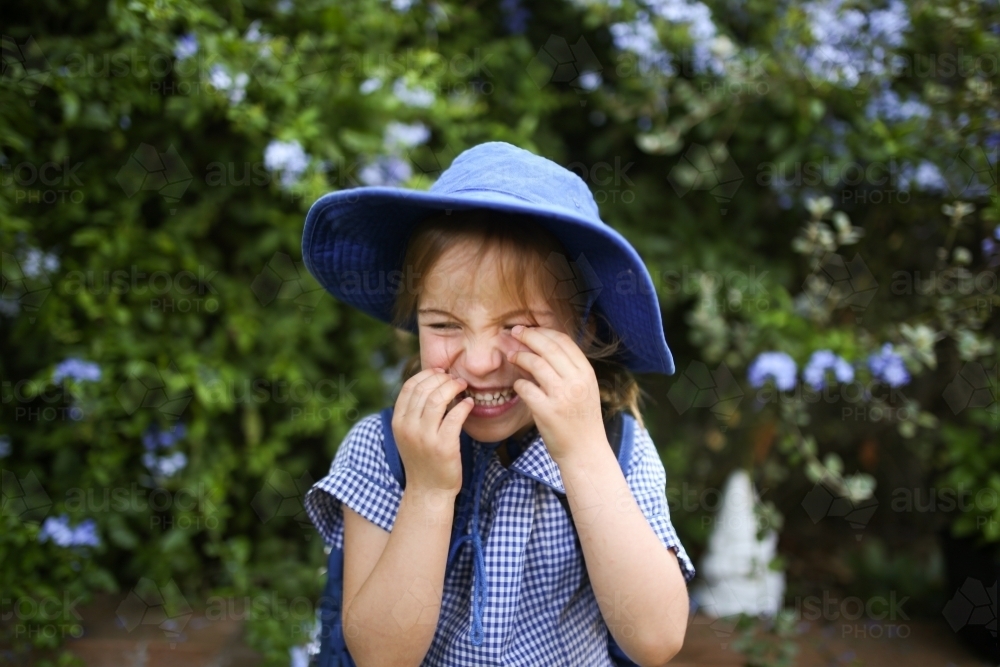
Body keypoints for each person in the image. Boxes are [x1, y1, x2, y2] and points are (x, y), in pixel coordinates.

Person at [302, 141, 695, 666]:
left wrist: (582, 454)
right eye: (444, 324)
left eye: (519, 326)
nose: (482, 361)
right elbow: (379, 657)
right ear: (414, 321)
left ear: (585, 331)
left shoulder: (616, 448)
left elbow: (657, 639)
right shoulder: (383, 450)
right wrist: (428, 490)